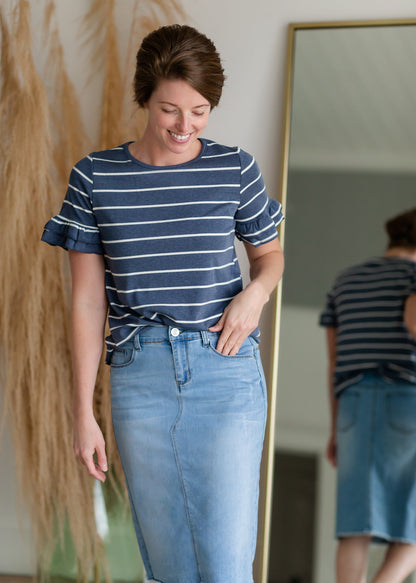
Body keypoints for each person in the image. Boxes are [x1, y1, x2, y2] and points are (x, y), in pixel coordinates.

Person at [41, 24, 284, 583]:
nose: (185, 126)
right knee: (171, 568)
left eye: (200, 111)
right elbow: (85, 302)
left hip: (225, 370)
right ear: (145, 98)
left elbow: (269, 257)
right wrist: (84, 413)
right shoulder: (95, 176)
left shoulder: (234, 169)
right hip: (139, 378)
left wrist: (255, 293)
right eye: (170, 110)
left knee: (225, 567)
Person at [320, 208, 416, 583]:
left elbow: (334, 360)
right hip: (407, 399)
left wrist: (334, 429)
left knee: (354, 524)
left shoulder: (346, 281)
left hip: (353, 404)